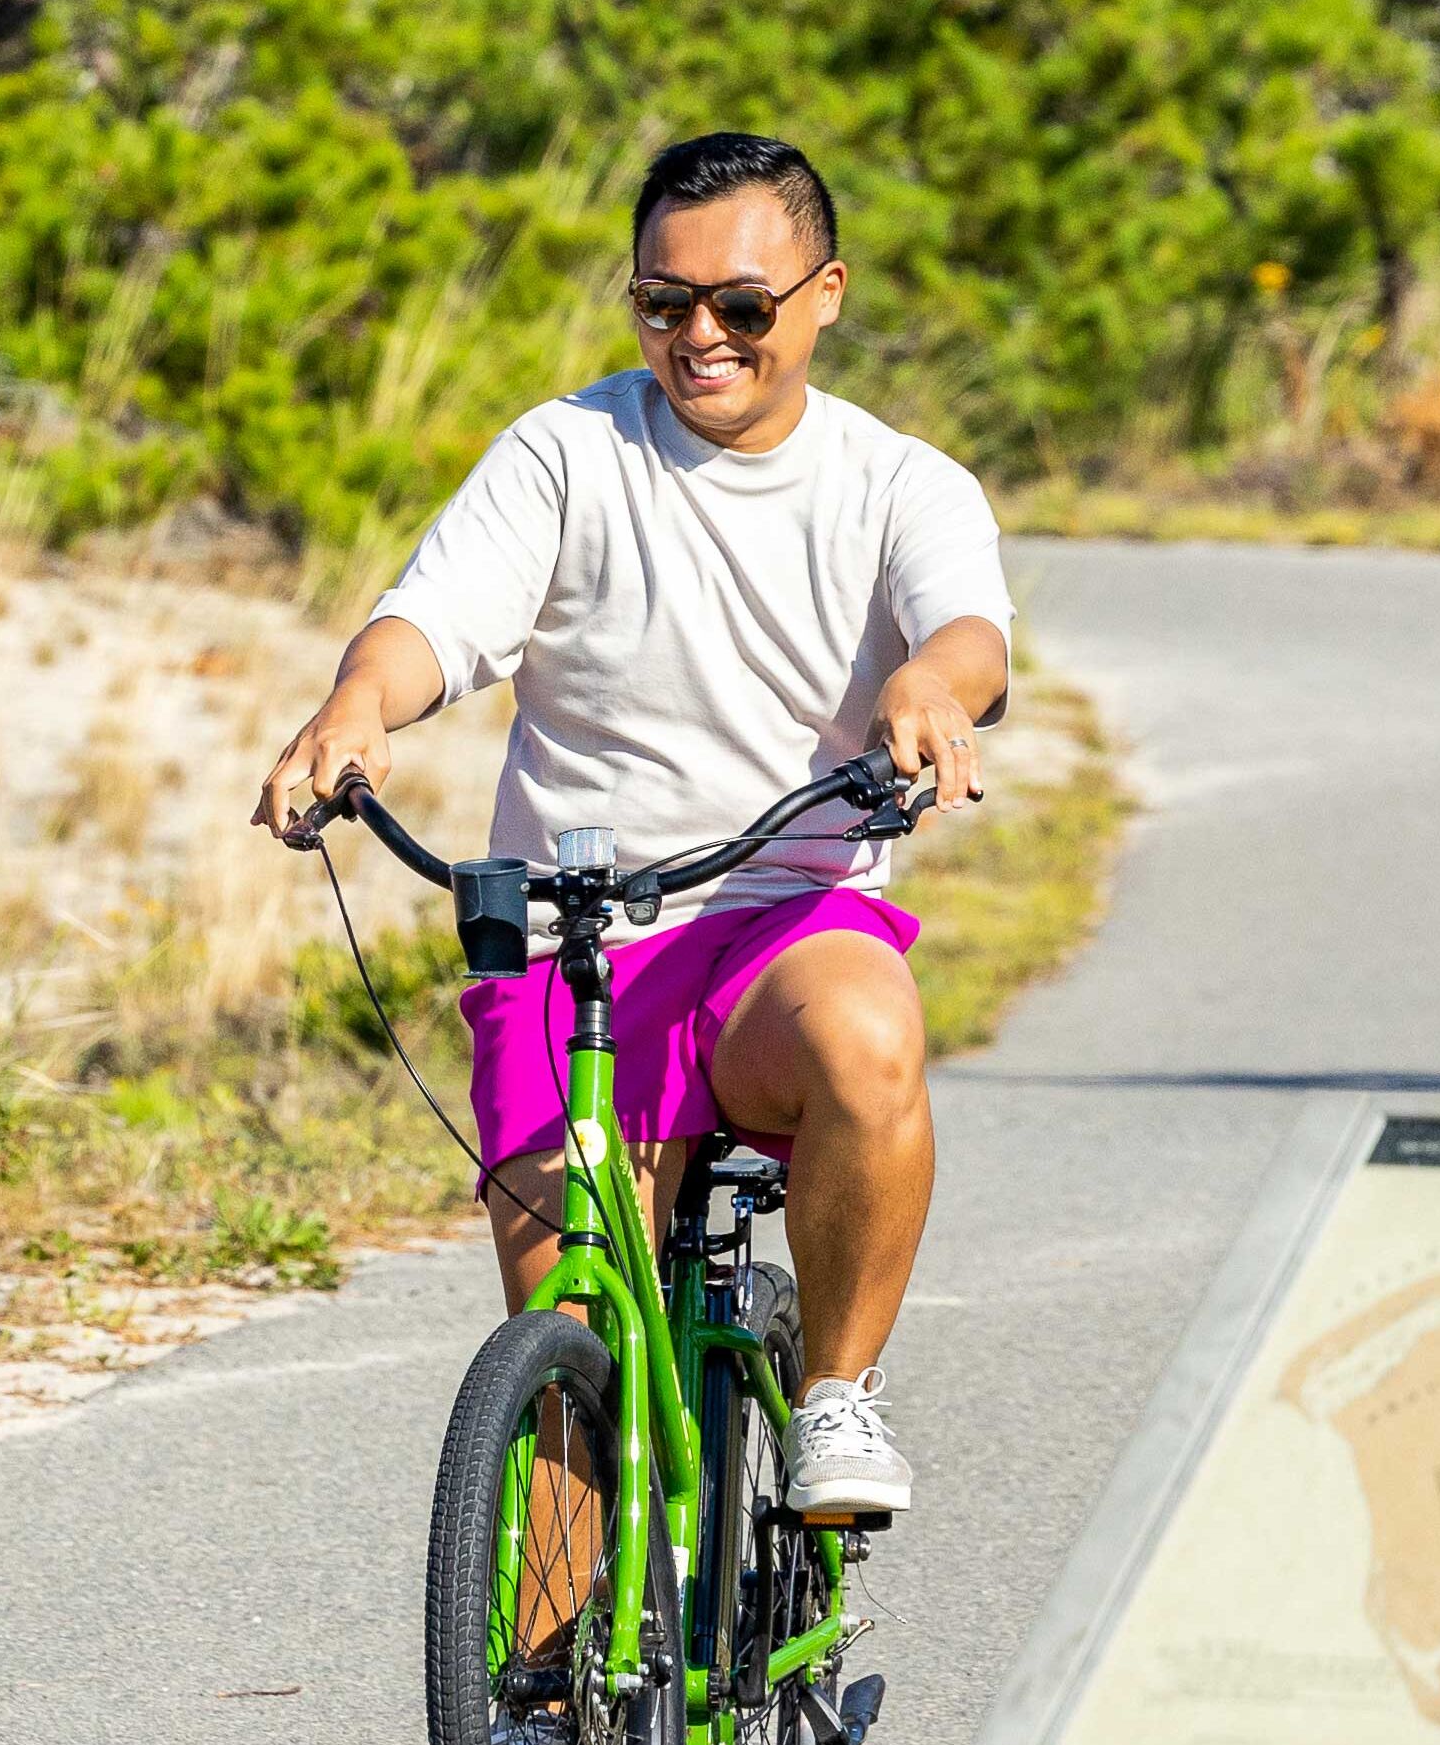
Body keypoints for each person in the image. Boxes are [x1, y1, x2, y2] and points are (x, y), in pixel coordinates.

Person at [251, 130, 1009, 1520]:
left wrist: (924, 686)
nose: (701, 337)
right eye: (665, 304)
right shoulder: (564, 451)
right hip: (575, 941)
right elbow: (436, 620)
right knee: (566, 1374)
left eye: (742, 305)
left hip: (783, 918)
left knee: (869, 1033)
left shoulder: (902, 482)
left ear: (825, 294)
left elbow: (966, 635)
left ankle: (837, 1393)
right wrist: (358, 701)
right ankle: (548, 1717)